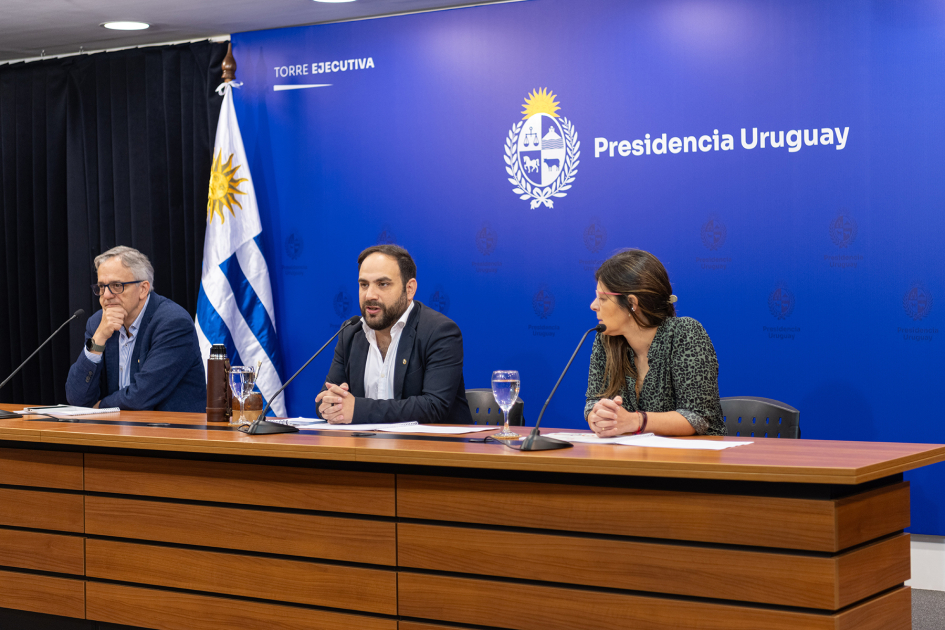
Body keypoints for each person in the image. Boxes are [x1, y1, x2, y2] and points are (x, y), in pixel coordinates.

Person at [315, 245, 469, 424]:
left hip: (429, 449)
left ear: (409, 289)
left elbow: (434, 407)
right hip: (364, 449)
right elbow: (324, 401)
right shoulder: (351, 332)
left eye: (383, 284)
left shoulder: (440, 332)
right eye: (364, 285)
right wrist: (330, 405)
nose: (370, 295)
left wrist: (357, 409)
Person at [585, 249, 724, 437]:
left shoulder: (685, 334)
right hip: (631, 459)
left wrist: (635, 421)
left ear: (632, 303)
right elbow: (593, 401)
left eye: (602, 298)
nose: (593, 305)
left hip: (693, 460)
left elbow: (696, 417)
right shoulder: (605, 339)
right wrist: (597, 415)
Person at [65, 246, 207, 412]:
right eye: (101, 287)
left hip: (172, 432)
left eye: (117, 285)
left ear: (143, 289)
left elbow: (142, 395)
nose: (107, 295)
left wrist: (100, 408)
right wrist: (97, 340)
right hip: (118, 432)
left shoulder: (173, 322)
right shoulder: (98, 324)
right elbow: (77, 398)